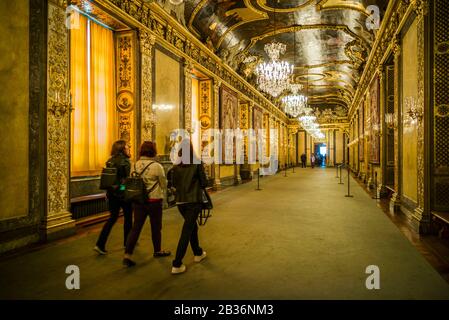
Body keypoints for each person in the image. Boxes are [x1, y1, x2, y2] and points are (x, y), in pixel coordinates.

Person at [123, 141, 170, 267]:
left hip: (139, 201)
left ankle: (127, 254)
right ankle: (157, 250)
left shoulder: (135, 165)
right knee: (156, 228)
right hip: (154, 201)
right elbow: (164, 185)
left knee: (136, 228)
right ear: (153, 151)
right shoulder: (157, 166)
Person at [171, 139, 207, 274]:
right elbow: (204, 183)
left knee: (192, 227)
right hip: (193, 201)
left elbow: (173, 185)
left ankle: (198, 252)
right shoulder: (196, 163)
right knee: (187, 230)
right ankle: (177, 263)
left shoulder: (175, 166)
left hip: (181, 202)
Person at [94, 140, 132, 255]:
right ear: (122, 148)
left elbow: (110, 180)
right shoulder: (125, 162)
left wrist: (114, 191)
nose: (128, 148)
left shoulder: (110, 160)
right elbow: (125, 181)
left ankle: (100, 244)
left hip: (111, 194)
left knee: (112, 218)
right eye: (127, 147)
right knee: (129, 218)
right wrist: (122, 190)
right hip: (122, 194)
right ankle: (128, 243)